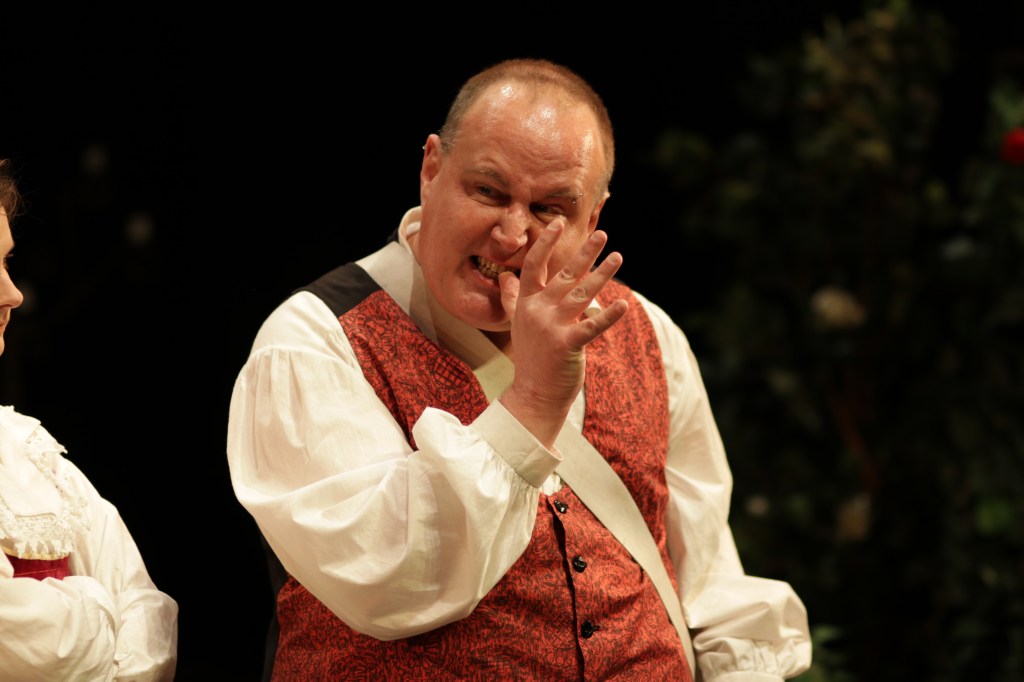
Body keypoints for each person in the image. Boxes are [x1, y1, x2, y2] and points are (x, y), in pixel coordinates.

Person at [227, 58, 812, 681]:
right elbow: (389, 582)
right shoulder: (315, 342)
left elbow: (710, 587)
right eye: (488, 192)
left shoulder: (647, 333)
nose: (511, 236)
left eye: (549, 208)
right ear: (431, 169)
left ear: (593, 218)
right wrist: (532, 401)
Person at [0, 158, 178, 680]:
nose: (14, 294)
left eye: (6, 263)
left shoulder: (28, 450)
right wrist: (96, 605)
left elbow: (146, 607)